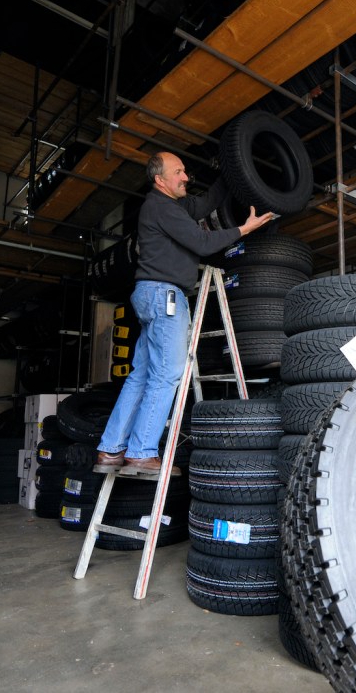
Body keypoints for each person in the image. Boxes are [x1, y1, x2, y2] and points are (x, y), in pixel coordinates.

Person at [96, 151, 274, 475]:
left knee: (140, 376)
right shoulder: (160, 207)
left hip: (149, 294)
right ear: (159, 180)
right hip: (164, 296)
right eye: (178, 172)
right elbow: (202, 242)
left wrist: (234, 170)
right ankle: (141, 453)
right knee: (167, 375)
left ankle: (110, 450)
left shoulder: (171, 206)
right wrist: (243, 230)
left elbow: (204, 204)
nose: (185, 177)